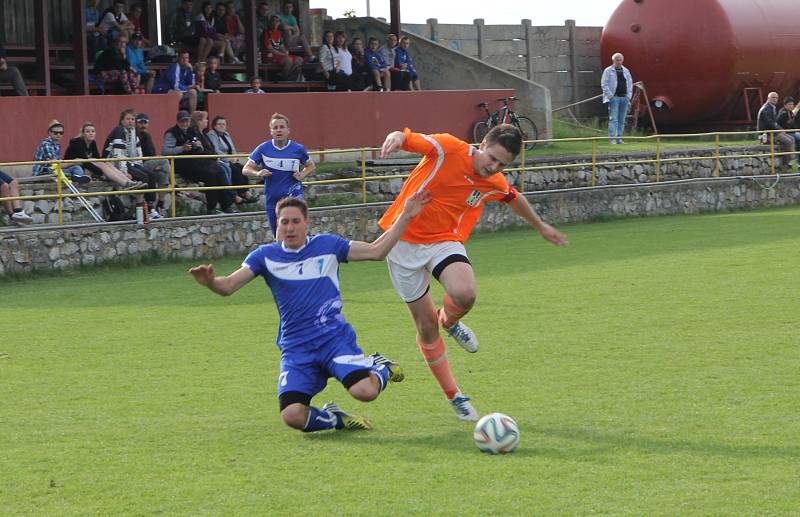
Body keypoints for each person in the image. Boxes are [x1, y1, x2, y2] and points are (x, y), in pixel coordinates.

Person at [189, 191, 431, 432]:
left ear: (307, 223)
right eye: (284, 222)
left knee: (365, 392)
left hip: (333, 340)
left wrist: (406, 215)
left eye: (296, 221)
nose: (290, 227)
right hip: (296, 349)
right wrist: (211, 282)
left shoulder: (328, 245)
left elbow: (376, 251)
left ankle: (381, 367)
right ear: (277, 225)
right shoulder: (264, 257)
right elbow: (229, 285)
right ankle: (335, 418)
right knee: (292, 415)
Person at [378, 124, 568, 421]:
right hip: (402, 243)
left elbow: (513, 197)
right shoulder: (448, 148)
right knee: (426, 330)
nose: (492, 167)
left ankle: (450, 321)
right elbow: (411, 139)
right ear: (481, 144)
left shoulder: (493, 179)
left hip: (444, 240)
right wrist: (396, 137)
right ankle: (454, 395)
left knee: (465, 294)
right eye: (491, 158)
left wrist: (540, 226)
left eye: (501, 164)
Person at [242, 112, 315, 235]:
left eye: (282, 127)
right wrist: (258, 173)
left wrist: (303, 174)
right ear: (271, 131)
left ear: (288, 130)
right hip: (273, 198)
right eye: (275, 127)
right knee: (278, 235)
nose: (279, 130)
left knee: (296, 232)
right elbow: (245, 169)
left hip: (294, 196)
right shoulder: (263, 148)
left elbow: (311, 165)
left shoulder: (298, 149)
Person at [162, 110, 233, 215]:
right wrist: (182, 148)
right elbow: (165, 152)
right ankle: (211, 208)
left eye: (187, 121)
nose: (185, 123)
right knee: (210, 174)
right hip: (180, 165)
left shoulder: (191, 131)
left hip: (194, 162)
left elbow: (199, 150)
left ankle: (226, 206)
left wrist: (198, 147)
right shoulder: (171, 133)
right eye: (182, 121)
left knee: (218, 170)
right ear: (177, 121)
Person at [104, 109, 166, 220]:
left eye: (132, 119)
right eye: (128, 119)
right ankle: (142, 210)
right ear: (122, 120)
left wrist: (140, 168)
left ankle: (151, 209)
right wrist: (124, 173)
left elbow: (138, 154)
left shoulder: (133, 132)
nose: (130, 121)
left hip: (130, 162)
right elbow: (118, 155)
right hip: (114, 164)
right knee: (144, 177)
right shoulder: (119, 131)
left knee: (150, 175)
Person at [64, 122, 146, 191]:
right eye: (87, 131)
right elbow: (85, 162)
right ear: (83, 133)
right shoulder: (77, 143)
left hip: (86, 166)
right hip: (74, 167)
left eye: (93, 131)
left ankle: (128, 182)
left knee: (107, 163)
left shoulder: (92, 143)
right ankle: (125, 184)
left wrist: (102, 168)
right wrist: (101, 172)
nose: (91, 133)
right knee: (102, 165)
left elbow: (98, 159)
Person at [206, 115, 257, 205]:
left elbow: (232, 148)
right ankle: (241, 192)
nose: (222, 126)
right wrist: (228, 159)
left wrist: (235, 157)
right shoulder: (212, 134)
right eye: (219, 124)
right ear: (214, 126)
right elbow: (216, 150)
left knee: (243, 168)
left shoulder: (226, 135)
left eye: (224, 124)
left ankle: (246, 192)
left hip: (231, 160)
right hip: (221, 160)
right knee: (236, 170)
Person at [135, 113, 172, 216]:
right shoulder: (134, 135)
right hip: (138, 164)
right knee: (164, 161)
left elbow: (152, 154)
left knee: (162, 174)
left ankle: (160, 204)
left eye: (145, 122)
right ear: (136, 123)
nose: (143, 125)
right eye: (140, 122)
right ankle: (174, 184)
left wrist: (156, 165)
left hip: (148, 164)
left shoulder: (147, 136)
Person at [600, 52, 633, 144]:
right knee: (613, 119)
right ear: (613, 60)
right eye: (617, 60)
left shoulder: (626, 71)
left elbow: (630, 84)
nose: (619, 62)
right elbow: (604, 84)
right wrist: (610, 96)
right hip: (614, 97)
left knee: (622, 119)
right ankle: (612, 139)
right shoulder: (608, 71)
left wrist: (628, 96)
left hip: (624, 98)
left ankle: (619, 138)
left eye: (620, 60)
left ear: (622, 60)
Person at [758, 91, 797, 169]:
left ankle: (789, 161)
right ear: (768, 98)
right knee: (788, 141)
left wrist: (780, 130)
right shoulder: (766, 108)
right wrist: (780, 130)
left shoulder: (772, 107)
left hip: (773, 132)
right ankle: (785, 164)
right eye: (773, 97)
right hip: (766, 135)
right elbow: (770, 123)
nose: (775, 99)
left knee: (792, 139)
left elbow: (773, 123)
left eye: (776, 98)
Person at [262, 15, 303, 81]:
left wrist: (285, 52)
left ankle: (291, 78)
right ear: (270, 22)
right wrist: (283, 54)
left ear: (279, 23)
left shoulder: (279, 33)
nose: (275, 22)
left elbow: (281, 46)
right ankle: (284, 80)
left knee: (299, 59)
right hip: (269, 55)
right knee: (288, 60)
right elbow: (269, 48)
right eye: (273, 21)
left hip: (279, 55)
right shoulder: (266, 32)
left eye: (277, 21)